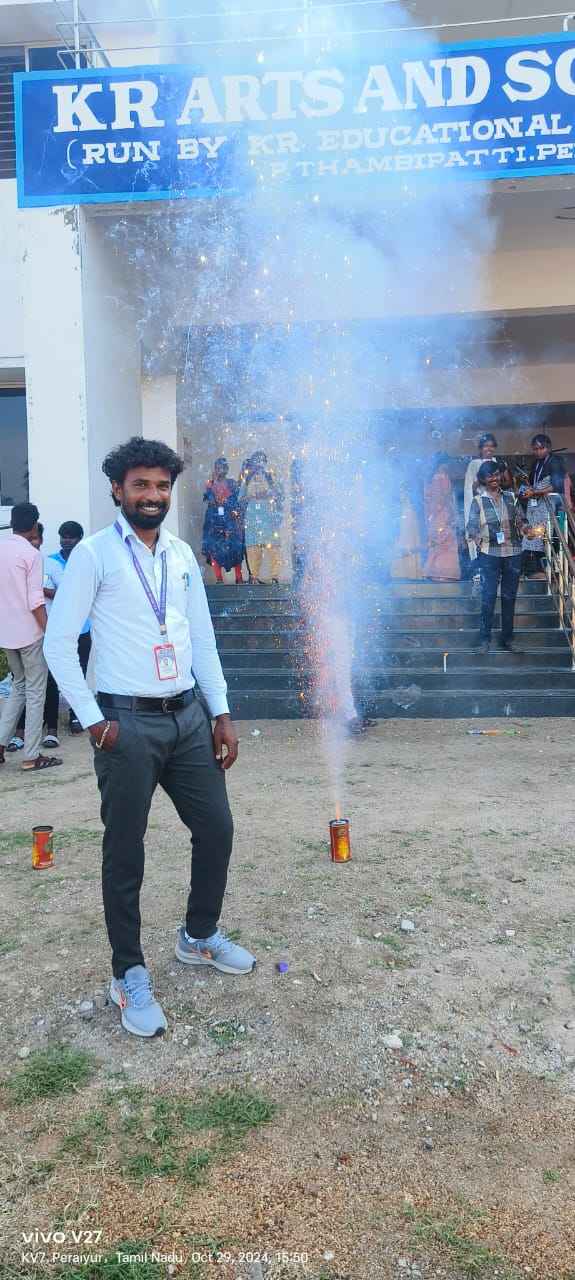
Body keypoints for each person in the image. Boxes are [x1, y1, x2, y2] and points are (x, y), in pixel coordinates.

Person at [44, 436, 254, 1039]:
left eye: (162, 485)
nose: (153, 495)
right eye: (141, 484)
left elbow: (201, 638)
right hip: (125, 724)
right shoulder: (94, 555)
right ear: (118, 489)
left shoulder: (182, 555)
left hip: (187, 717)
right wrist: (94, 721)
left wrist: (220, 712)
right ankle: (128, 973)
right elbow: (59, 643)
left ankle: (199, 934)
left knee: (217, 827)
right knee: (125, 851)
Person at [0, 503, 62, 771]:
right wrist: (50, 632)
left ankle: (0, 745)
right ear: (34, 526)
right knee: (36, 692)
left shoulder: (1, 549)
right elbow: (36, 601)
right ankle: (31, 756)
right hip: (30, 634)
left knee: (19, 686)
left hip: (6, 634)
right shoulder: (32, 554)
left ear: (12, 523)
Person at [466, 460, 533, 655]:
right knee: (488, 596)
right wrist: (476, 536)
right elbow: (471, 525)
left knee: (509, 597)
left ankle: (508, 639)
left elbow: (521, 520)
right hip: (489, 553)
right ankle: (484, 640)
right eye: (490, 476)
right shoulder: (478, 501)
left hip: (514, 552)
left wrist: (527, 530)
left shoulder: (510, 497)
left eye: (497, 475)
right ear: (483, 479)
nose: (495, 478)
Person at [520, 433, 567, 579]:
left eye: (541, 448)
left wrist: (535, 492)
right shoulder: (536, 463)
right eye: (535, 449)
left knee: (544, 536)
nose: (538, 451)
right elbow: (533, 485)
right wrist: (527, 485)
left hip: (549, 505)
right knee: (532, 536)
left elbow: (556, 486)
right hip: (536, 506)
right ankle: (535, 571)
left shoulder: (555, 461)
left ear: (549, 448)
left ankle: (546, 572)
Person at [237, 450, 283, 584]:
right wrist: (249, 497)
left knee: (273, 547)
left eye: (262, 460)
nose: (259, 463)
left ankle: (274, 577)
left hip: (269, 517)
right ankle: (254, 577)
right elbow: (240, 499)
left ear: (265, 462)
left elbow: (281, 495)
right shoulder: (248, 478)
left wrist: (269, 494)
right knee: (252, 548)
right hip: (252, 519)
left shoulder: (271, 477)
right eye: (256, 461)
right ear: (253, 463)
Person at [201, 457, 244, 584]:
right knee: (214, 548)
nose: (219, 470)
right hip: (214, 520)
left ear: (227, 470)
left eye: (222, 468)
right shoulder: (210, 483)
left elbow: (235, 500)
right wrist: (214, 486)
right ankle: (219, 579)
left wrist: (225, 502)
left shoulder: (232, 483)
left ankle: (239, 578)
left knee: (235, 548)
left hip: (229, 519)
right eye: (217, 468)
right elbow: (208, 498)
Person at [421, 453, 461, 581]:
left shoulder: (429, 478)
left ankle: (434, 573)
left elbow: (426, 501)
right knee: (447, 545)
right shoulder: (442, 475)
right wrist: (456, 515)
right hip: (443, 515)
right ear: (445, 463)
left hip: (432, 517)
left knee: (436, 544)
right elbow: (447, 498)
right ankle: (445, 574)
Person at [389, 483, 423, 580]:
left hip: (410, 540)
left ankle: (411, 573)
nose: (402, 495)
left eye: (403, 493)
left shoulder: (412, 511)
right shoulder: (397, 511)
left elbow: (416, 534)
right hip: (400, 539)